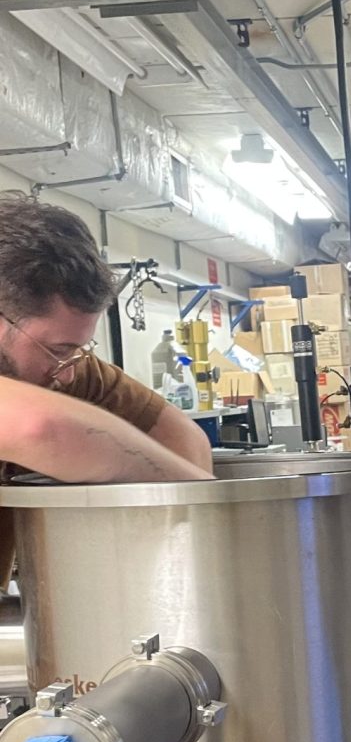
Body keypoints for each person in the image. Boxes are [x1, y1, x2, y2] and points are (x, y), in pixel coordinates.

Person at [0, 190, 213, 587]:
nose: (67, 374)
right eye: (57, 349)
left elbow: (182, 438)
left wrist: (185, 572)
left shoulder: (63, 369)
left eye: (76, 349)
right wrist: (214, 506)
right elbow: (41, 428)